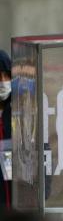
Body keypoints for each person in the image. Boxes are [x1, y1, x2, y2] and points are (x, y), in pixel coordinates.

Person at [0, 50, 12, 213]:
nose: (3, 82)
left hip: (19, 205)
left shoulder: (23, 111)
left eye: (7, 76)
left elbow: (42, 149)